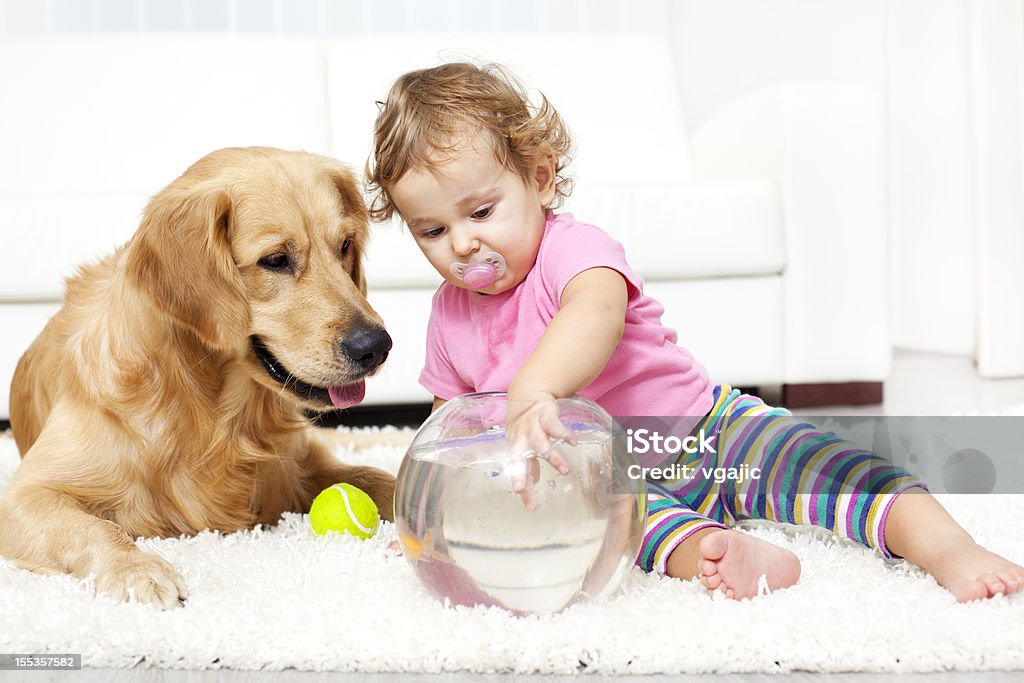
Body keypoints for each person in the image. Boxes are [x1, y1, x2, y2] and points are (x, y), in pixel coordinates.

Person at [365, 61, 1024, 602]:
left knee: (833, 468)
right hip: (607, 477)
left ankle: (949, 546)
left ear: (538, 179)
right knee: (634, 535)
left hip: (711, 429)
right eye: (432, 229)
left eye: (481, 210)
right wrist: (436, 513)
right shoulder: (450, 316)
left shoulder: (574, 251)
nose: (462, 242)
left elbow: (593, 314)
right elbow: (453, 425)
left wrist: (536, 386)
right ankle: (728, 553)